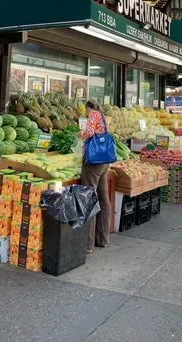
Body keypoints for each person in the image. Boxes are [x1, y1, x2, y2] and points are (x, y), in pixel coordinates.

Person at [79, 100, 111, 253]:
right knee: (104, 200)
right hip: (105, 162)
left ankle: (88, 244)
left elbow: (89, 133)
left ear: (89, 108)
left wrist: (80, 134)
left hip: (93, 163)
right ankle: (103, 239)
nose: (86, 113)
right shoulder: (103, 117)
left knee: (89, 199)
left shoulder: (93, 114)